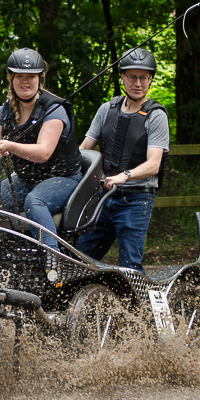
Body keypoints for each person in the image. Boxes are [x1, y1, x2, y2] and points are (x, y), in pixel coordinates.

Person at [0, 48, 82, 250]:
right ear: (11, 79)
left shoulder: (54, 109)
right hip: (26, 179)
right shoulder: (4, 111)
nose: (25, 81)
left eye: (31, 76)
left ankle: (53, 258)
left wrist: (10, 146)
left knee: (35, 201)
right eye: (19, 76)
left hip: (63, 179)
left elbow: (43, 153)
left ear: (39, 78)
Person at [77, 47, 169, 272]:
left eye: (144, 78)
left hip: (136, 200)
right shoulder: (107, 110)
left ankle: (138, 296)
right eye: (132, 77)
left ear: (150, 80)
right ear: (122, 78)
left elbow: (154, 164)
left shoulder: (156, 115)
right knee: (80, 259)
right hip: (102, 197)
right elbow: (84, 151)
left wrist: (124, 176)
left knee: (130, 265)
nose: (138, 83)